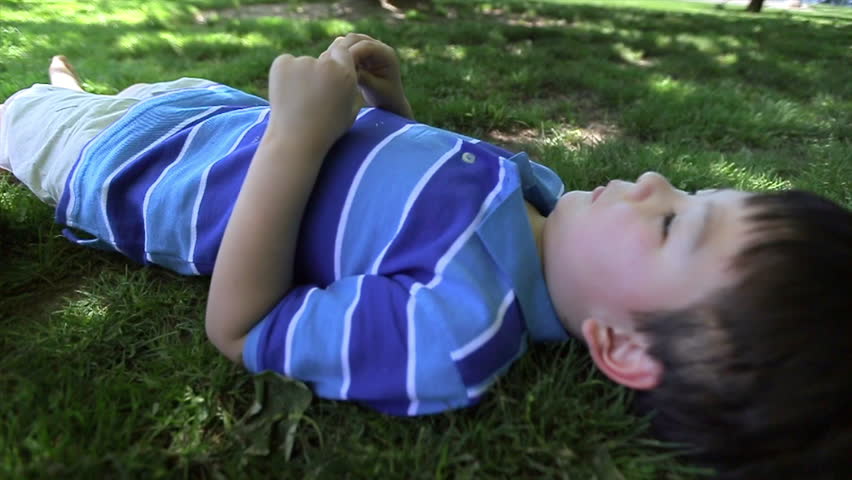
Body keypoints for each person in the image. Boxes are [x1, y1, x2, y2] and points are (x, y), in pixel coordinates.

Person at [1, 34, 849, 479]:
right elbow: (392, 191)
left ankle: (46, 109)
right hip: (204, 115)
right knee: (114, 97)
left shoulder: (457, 328)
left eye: (674, 226)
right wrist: (384, 104)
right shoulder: (543, 196)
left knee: (23, 117)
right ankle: (76, 94)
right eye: (696, 194)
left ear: (622, 346)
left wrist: (299, 133)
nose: (662, 180)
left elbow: (243, 323)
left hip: (128, 170)